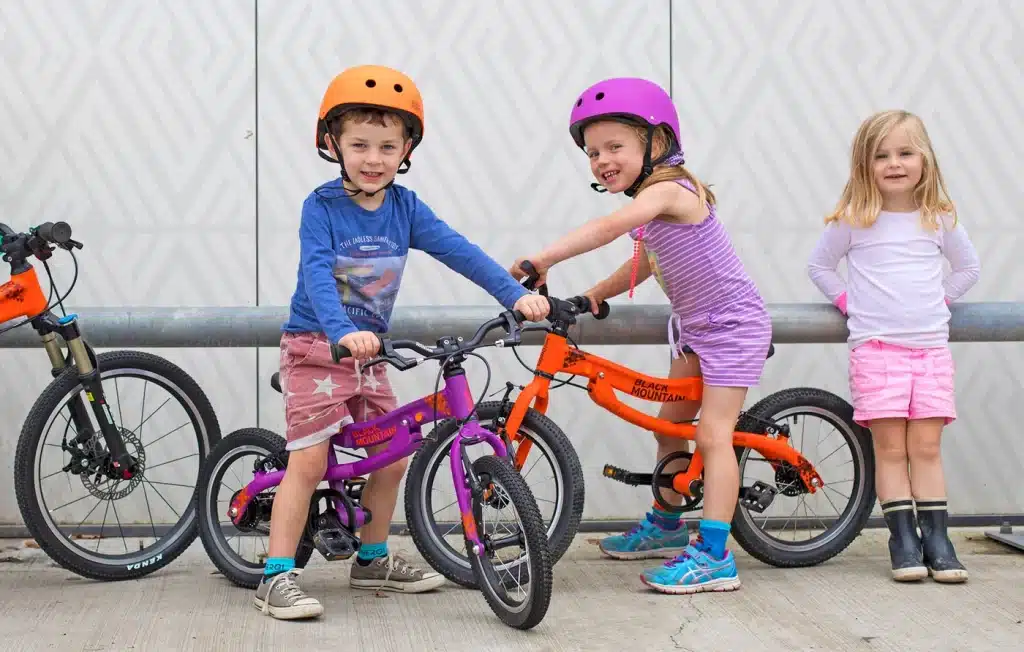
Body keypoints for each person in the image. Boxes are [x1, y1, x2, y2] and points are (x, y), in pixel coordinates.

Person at [256, 64, 550, 620]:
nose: (373, 158)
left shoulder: (405, 208)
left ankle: (371, 560)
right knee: (310, 459)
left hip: (371, 353)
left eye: (387, 146)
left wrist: (513, 296)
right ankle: (275, 577)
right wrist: (343, 332)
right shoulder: (321, 207)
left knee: (392, 457)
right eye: (360, 144)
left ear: (406, 148)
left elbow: (459, 251)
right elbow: (318, 275)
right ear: (332, 144)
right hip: (317, 347)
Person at [509, 77, 772, 595]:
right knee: (667, 428)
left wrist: (543, 258)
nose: (602, 159)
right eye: (592, 152)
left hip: (735, 326)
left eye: (615, 147)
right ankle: (667, 524)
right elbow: (645, 265)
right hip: (695, 330)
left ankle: (716, 556)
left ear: (656, 143)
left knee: (712, 435)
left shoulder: (671, 190)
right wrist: (591, 296)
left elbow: (608, 229)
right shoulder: (652, 207)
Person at [807, 109, 980, 584]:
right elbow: (820, 267)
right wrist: (850, 302)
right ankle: (902, 539)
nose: (894, 163)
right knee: (889, 447)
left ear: (925, 159)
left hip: (929, 351)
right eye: (881, 155)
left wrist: (935, 302)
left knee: (925, 446)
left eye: (905, 152)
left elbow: (968, 269)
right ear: (865, 165)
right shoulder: (853, 220)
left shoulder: (938, 218)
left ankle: (937, 540)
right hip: (876, 351)